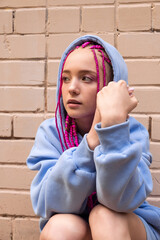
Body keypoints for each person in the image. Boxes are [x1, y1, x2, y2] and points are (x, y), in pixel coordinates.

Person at [27, 35, 160, 240]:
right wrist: (92, 140)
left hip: (125, 226)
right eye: (65, 78)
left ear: (110, 87)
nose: (72, 88)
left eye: (86, 78)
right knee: (60, 226)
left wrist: (113, 128)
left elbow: (120, 202)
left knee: (105, 216)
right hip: (74, 228)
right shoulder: (51, 132)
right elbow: (50, 204)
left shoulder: (132, 131)